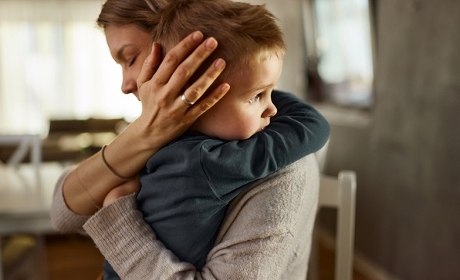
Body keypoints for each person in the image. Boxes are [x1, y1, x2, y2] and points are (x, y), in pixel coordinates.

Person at [50, 0, 329, 279]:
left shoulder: (279, 158)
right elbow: (63, 214)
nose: (125, 85)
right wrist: (144, 133)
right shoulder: (178, 135)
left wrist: (119, 225)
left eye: (131, 58)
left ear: (187, 56)